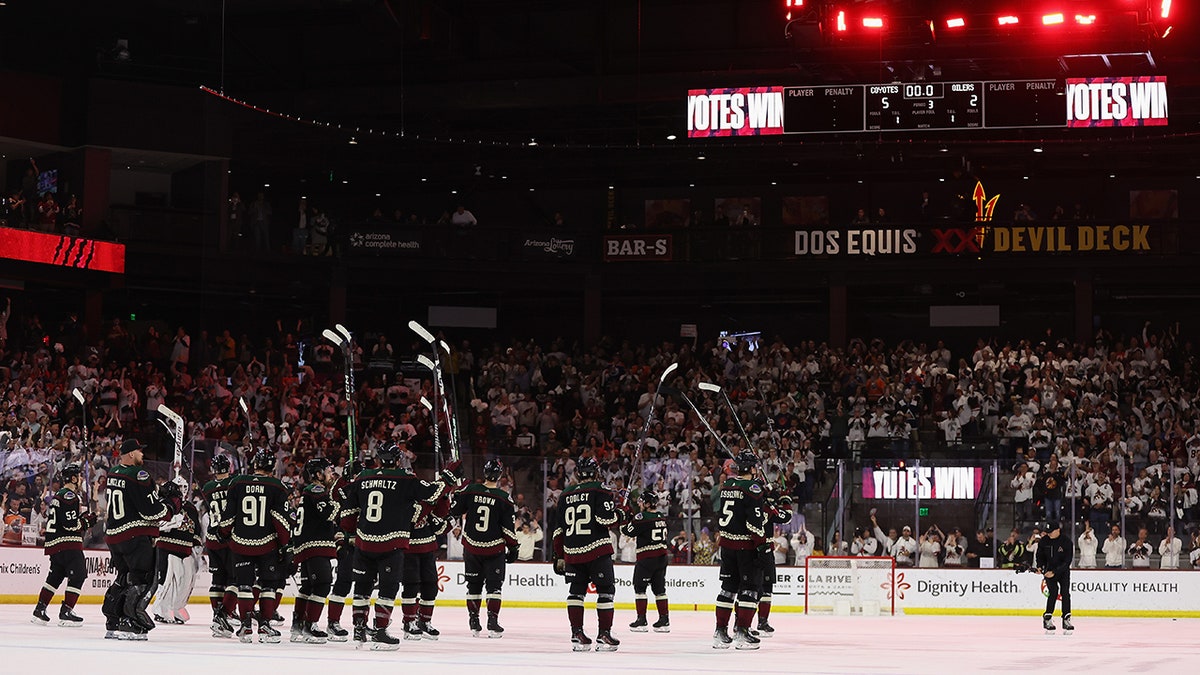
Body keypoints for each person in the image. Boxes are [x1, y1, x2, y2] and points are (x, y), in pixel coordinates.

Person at [338, 443, 460, 650]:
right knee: (388, 588)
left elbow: (347, 516)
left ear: (379, 459)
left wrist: (352, 532)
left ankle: (359, 630)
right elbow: (432, 493)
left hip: (364, 543)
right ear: (396, 460)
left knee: (362, 587)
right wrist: (448, 478)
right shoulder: (405, 479)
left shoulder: (364, 477)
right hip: (391, 544)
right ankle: (380, 631)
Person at [102, 439, 183, 641]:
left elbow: (134, 499)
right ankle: (131, 621)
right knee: (142, 579)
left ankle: (113, 620)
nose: (142, 455)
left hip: (115, 536)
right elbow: (151, 512)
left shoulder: (114, 473)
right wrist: (172, 505)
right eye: (139, 451)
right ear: (130, 454)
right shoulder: (139, 474)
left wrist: (157, 494)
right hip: (135, 535)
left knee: (123, 578)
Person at [551, 455, 626, 652]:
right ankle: (604, 634)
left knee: (576, 592)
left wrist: (559, 555)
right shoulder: (600, 490)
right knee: (606, 590)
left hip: (572, 551)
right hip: (597, 550)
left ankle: (577, 634)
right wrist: (621, 513)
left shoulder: (565, 494)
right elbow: (605, 519)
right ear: (596, 472)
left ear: (578, 473)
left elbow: (559, 530)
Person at [219, 448, 292, 643]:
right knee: (268, 585)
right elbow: (280, 519)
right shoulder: (277, 486)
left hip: (240, 543)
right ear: (271, 466)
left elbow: (228, 517)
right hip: (267, 544)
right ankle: (265, 626)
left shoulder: (238, 482)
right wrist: (285, 545)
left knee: (244, 585)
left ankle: (245, 627)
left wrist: (223, 533)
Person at [450, 458, 518, 638]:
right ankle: (492, 622)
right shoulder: (504, 498)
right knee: (494, 587)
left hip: (471, 547)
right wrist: (513, 547)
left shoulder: (470, 490)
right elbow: (508, 529)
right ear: (500, 476)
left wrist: (457, 494)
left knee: (473, 586)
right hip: (494, 549)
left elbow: (453, 510)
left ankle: (474, 621)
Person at [711, 450, 768, 650]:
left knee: (727, 589)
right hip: (745, 546)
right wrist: (762, 546)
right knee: (750, 589)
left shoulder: (727, 485)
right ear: (751, 468)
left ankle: (720, 632)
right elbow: (754, 523)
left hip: (727, 546)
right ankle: (742, 633)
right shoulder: (752, 488)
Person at [32, 463, 94, 627]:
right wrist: (86, 522)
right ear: (73, 478)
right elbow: (70, 524)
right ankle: (66, 611)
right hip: (68, 543)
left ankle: (40, 608)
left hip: (55, 544)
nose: (81, 479)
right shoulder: (69, 496)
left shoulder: (59, 495)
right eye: (79, 476)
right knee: (79, 575)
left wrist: (82, 518)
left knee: (55, 576)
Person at [290, 458, 339, 643]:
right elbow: (328, 513)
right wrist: (341, 500)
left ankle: (298, 625)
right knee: (323, 583)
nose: (330, 474)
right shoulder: (316, 490)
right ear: (318, 474)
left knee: (309, 586)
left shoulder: (309, 492)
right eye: (327, 470)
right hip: (315, 544)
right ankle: (310, 625)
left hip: (306, 544)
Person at [621, 489, 671, 633]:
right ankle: (664, 620)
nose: (641, 504)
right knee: (660, 590)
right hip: (662, 557)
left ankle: (641, 620)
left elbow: (627, 531)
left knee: (640, 588)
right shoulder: (661, 516)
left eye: (643, 502)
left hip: (647, 558)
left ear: (648, 504)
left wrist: (625, 517)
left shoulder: (642, 516)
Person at [151, 484, 202, 624]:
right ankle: (160, 609)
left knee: (185, 582)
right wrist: (168, 524)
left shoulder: (191, 507)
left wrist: (197, 548)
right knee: (166, 580)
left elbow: (196, 529)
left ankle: (177, 608)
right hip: (166, 548)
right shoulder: (163, 505)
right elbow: (157, 524)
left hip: (186, 550)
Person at [201, 453, 238, 638]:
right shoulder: (233, 483)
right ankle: (225, 614)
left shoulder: (207, 487)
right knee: (234, 580)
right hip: (229, 537)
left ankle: (217, 616)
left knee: (217, 580)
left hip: (212, 537)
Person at [755, 489, 793, 637]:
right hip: (764, 550)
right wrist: (785, 500)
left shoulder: (749, 505)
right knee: (761, 587)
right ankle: (756, 622)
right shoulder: (766, 507)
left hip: (750, 549)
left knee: (756, 587)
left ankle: (744, 623)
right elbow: (786, 517)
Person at [1034, 522, 1073, 633]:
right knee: (1053, 592)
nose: (1049, 534)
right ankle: (1047, 617)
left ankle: (1066, 618)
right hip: (1049, 571)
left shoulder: (1066, 542)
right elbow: (1039, 556)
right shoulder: (1044, 541)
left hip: (1063, 571)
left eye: (1051, 532)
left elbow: (1067, 561)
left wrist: (1055, 572)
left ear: (1058, 530)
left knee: (1065, 592)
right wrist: (1040, 567)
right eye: (1048, 532)